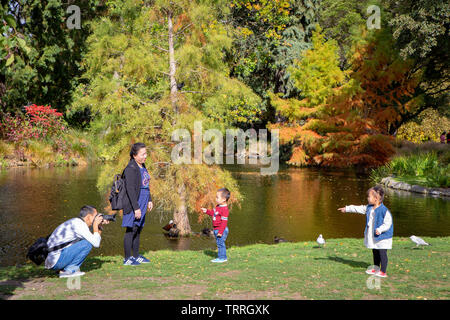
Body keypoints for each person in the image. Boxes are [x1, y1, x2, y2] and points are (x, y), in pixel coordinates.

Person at [337, 185, 393, 278]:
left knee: (382, 252)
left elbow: (388, 223)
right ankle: (376, 268)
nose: (367, 198)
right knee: (375, 251)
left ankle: (383, 271)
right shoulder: (369, 208)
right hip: (374, 236)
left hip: (383, 237)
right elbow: (359, 208)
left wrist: (380, 229)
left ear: (376, 198)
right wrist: (347, 209)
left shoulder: (384, 211)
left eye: (369, 196)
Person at [45, 205, 108, 278]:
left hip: (53, 260)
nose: (97, 219)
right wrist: (95, 225)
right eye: (95, 216)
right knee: (87, 244)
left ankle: (63, 269)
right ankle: (68, 271)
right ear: (88, 217)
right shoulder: (80, 225)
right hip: (55, 261)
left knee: (86, 241)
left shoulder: (76, 222)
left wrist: (98, 226)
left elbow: (94, 239)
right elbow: (96, 243)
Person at [121, 142, 153, 266]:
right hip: (134, 202)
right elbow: (130, 190)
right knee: (131, 229)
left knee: (138, 229)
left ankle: (136, 256)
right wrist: (136, 208)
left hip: (144, 200)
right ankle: (127, 258)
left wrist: (149, 199)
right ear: (134, 155)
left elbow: (146, 184)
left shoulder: (142, 166)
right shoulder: (130, 168)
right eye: (142, 154)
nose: (145, 156)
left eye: (146, 153)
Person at [201, 188, 230, 263]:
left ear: (224, 199)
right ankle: (221, 257)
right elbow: (213, 213)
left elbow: (224, 222)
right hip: (216, 229)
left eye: (217, 197)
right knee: (219, 243)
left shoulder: (225, 210)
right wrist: (206, 211)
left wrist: (220, 232)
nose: (216, 199)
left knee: (220, 244)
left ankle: (222, 258)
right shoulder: (218, 206)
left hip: (221, 229)